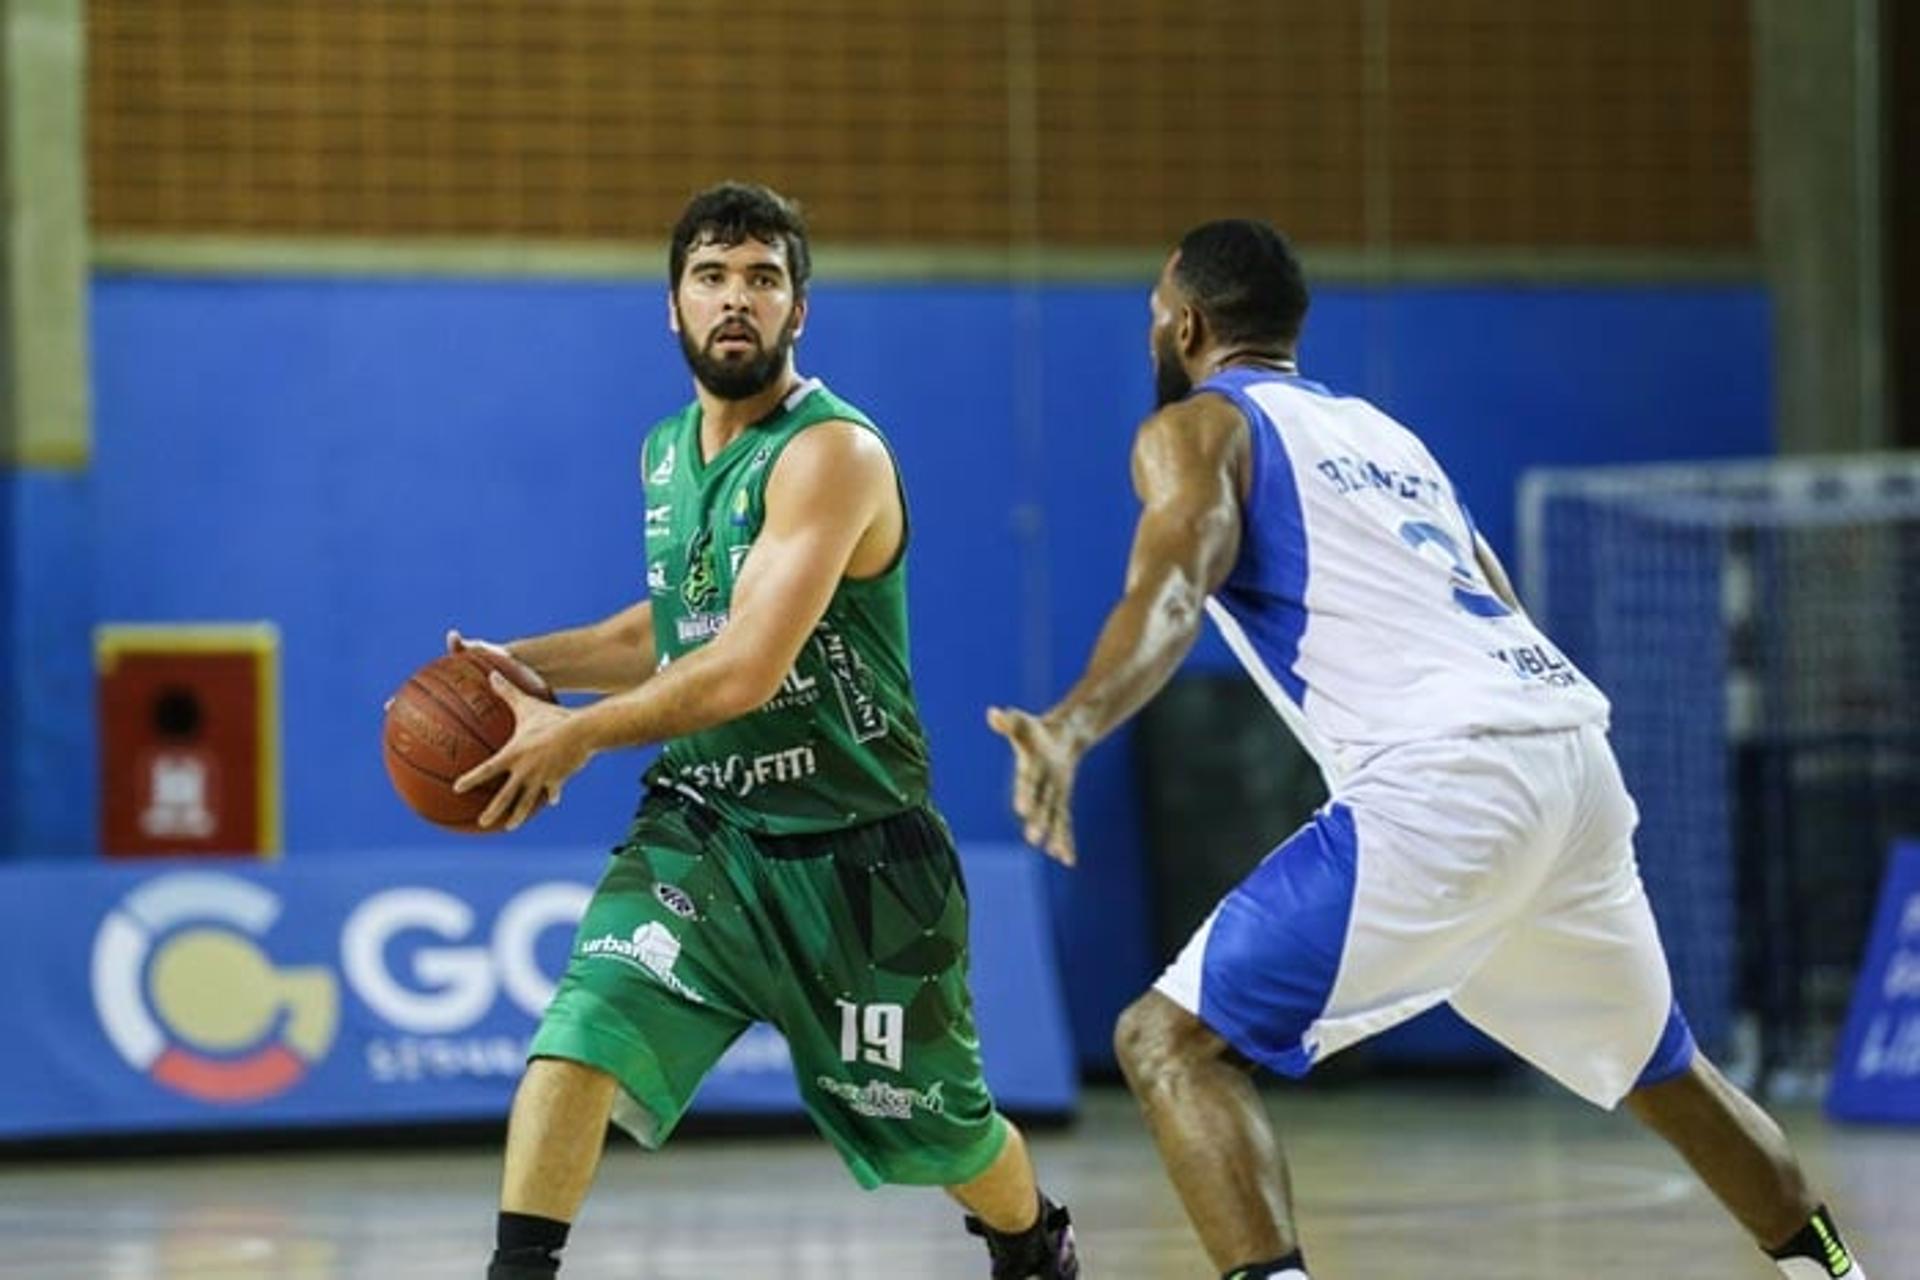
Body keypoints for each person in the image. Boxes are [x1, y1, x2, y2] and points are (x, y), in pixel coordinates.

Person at [987, 219, 1869, 1280]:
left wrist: (1072, 721)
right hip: (1569, 756)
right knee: (1666, 1069)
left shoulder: (1198, 428)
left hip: (1448, 775)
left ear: (1186, 324)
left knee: (1165, 1042)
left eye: (1152, 317)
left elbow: (1172, 587)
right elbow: (1496, 599)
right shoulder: (1386, 437)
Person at [454, 181, 1078, 1280]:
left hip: (859, 857)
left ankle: (1031, 1240)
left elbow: (745, 664)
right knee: (583, 1029)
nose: (735, 299)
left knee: (937, 1126)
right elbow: (674, 624)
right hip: (706, 827)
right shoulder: (663, 452)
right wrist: (521, 665)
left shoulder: (833, 453)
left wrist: (579, 734)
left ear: (800, 311)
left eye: (762, 278)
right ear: (672, 306)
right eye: (710, 276)